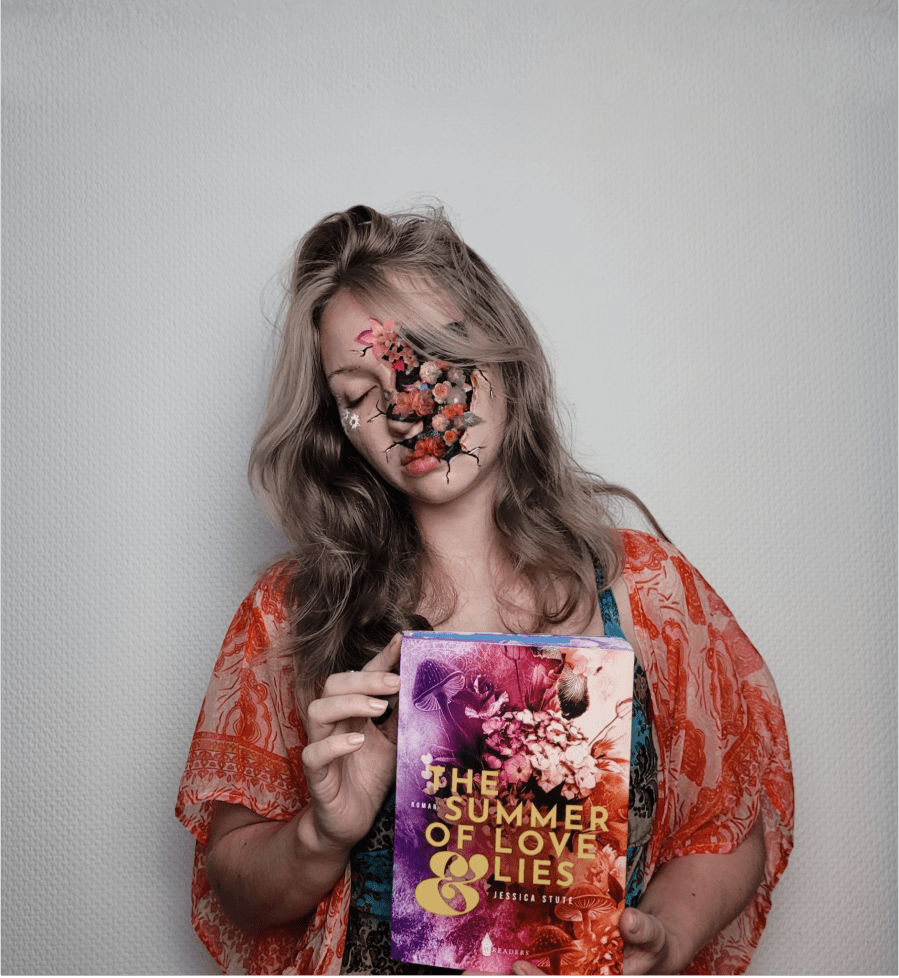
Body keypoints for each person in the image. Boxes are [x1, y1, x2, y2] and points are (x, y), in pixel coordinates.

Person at [176, 204, 793, 976]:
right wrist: (319, 834)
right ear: (339, 428)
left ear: (499, 353)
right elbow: (237, 889)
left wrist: (664, 936)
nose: (404, 409)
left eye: (427, 357)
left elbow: (724, 828)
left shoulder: (645, 588)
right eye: (358, 392)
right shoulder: (292, 612)